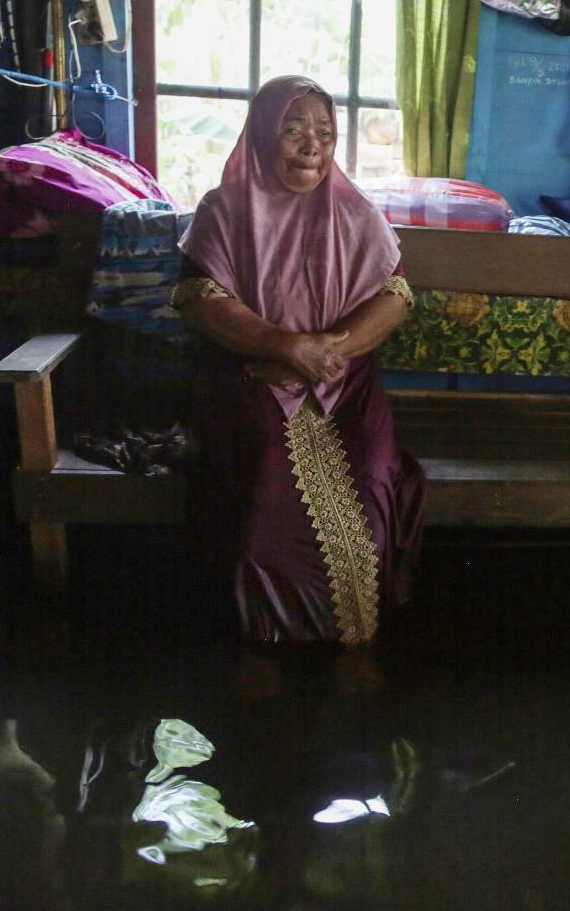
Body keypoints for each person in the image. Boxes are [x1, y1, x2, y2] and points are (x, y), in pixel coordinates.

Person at [171, 75, 424, 695]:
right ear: (263, 136)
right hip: (250, 373)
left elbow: (395, 296)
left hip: (345, 380)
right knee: (262, 472)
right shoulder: (224, 210)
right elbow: (201, 298)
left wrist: (329, 349)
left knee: (371, 474)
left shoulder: (356, 212)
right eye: (294, 129)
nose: (312, 143)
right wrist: (283, 345)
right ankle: (258, 639)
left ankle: (357, 637)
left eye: (324, 132)